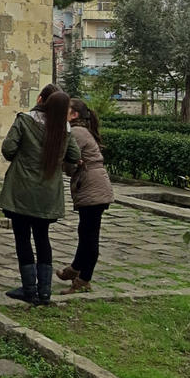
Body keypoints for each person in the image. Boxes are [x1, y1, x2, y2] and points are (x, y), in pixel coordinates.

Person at [0, 88, 80, 305]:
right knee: (42, 238)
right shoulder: (65, 129)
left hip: (22, 189)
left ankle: (29, 289)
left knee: (22, 238)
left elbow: (8, 149)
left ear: (44, 102)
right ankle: (45, 292)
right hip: (47, 193)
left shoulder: (25, 121)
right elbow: (75, 156)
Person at [57, 98, 114, 293]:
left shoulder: (77, 132)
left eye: (66, 110)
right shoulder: (81, 130)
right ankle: (75, 269)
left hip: (92, 186)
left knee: (90, 236)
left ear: (75, 115)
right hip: (93, 184)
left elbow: (67, 159)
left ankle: (83, 279)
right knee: (85, 231)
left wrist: (70, 165)